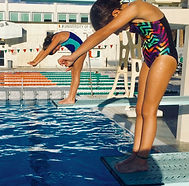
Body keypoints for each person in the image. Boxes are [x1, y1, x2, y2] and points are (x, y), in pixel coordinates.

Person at [58, 0, 178, 173]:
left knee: (149, 111)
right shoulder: (130, 11)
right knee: (139, 109)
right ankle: (136, 154)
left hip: (164, 56)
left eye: (116, 27)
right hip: (151, 57)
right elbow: (107, 30)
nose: (117, 31)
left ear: (116, 14)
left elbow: (104, 32)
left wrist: (75, 55)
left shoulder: (137, 7)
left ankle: (142, 160)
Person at [28, 31, 86, 104]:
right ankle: (70, 98)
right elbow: (44, 49)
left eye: (55, 49)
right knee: (73, 75)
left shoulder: (58, 37)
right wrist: (34, 60)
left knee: (76, 74)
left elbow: (47, 50)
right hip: (75, 52)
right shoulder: (53, 39)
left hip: (81, 51)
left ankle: (71, 99)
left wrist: (37, 62)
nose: (58, 49)